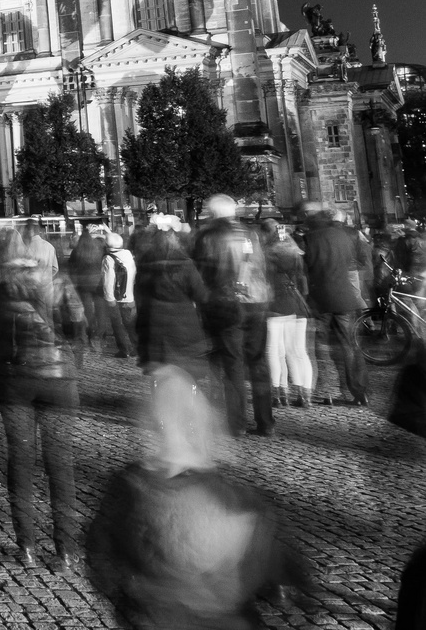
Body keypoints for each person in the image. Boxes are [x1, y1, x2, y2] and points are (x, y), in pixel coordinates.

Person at [87, 365, 311, 629]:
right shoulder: (228, 494)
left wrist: (127, 597)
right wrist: (298, 586)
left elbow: (101, 553)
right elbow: (271, 551)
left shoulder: (129, 489)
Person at [0, 225, 87, 569]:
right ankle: (66, 549)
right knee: (60, 465)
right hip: (57, 379)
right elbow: (78, 326)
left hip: (14, 380)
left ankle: (26, 547)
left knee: (21, 462)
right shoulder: (58, 282)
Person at [191, 196, 275, 436]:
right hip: (257, 301)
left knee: (233, 364)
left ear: (212, 212)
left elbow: (203, 273)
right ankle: (266, 422)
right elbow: (262, 266)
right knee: (258, 363)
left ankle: (237, 423)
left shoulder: (208, 236)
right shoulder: (251, 233)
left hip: (227, 303)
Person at [301, 201, 368, 406]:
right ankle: (359, 391)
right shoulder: (345, 235)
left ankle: (327, 391)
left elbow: (305, 268)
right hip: (344, 296)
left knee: (321, 347)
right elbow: (353, 261)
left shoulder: (309, 238)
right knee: (349, 346)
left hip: (320, 298)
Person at [133, 219, 209, 379]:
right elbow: (200, 294)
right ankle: (187, 401)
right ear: (175, 240)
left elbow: (138, 292)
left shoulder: (144, 263)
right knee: (185, 371)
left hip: (152, 323)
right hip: (182, 324)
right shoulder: (185, 264)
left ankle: (159, 402)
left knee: (158, 370)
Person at [260, 215, 313, 408]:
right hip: (298, 304)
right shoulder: (296, 252)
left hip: (276, 304)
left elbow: (265, 280)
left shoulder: (267, 253)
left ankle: (278, 393)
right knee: (298, 351)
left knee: (275, 351)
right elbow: (303, 281)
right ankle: (304, 394)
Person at [68, 226, 109, 353]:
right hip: (98, 283)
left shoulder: (77, 250)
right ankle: (100, 336)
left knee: (88, 311)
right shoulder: (99, 247)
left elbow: (71, 268)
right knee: (101, 310)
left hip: (83, 284)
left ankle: (90, 335)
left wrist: (75, 283)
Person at [101, 232, 138, 359]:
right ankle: (137, 348)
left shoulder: (108, 258)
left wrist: (109, 298)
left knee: (117, 324)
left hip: (116, 298)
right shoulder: (128, 254)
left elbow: (108, 280)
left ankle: (124, 350)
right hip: (130, 296)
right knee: (131, 324)